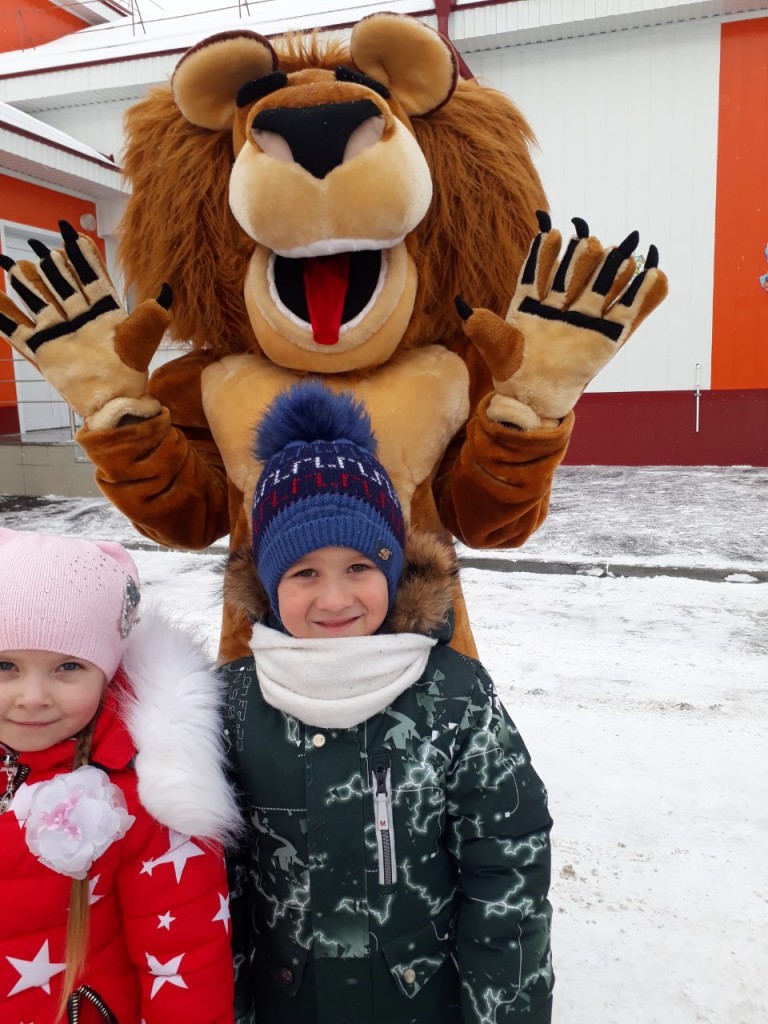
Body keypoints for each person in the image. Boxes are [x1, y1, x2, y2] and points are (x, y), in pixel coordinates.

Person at [222, 381, 554, 1024]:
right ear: (267, 580)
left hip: (420, 1004)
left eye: (359, 567)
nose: (335, 599)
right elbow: (209, 891)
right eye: (304, 572)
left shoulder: (455, 696)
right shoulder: (233, 707)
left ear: (394, 568)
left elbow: (506, 868)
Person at [0, 528, 239, 1023]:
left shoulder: (142, 793)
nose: (33, 697)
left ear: (107, 669)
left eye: (68, 666)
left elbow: (186, 963)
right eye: (6, 666)